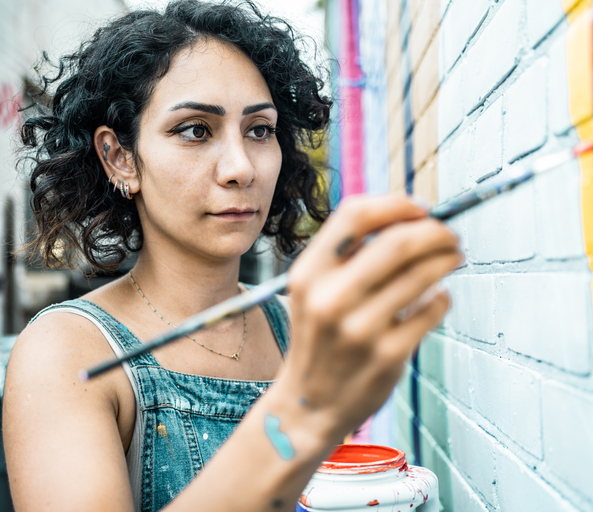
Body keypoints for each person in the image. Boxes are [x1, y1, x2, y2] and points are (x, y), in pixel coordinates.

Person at [2, 1, 462, 511]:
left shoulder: (298, 326)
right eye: (196, 130)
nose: (241, 167)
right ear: (120, 157)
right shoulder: (67, 352)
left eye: (260, 130)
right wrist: (304, 406)